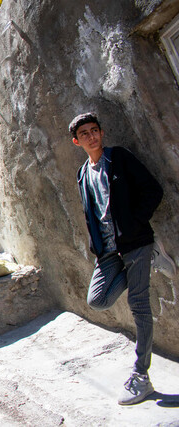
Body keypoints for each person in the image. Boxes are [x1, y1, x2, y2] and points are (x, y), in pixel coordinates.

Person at [70, 112, 176, 405]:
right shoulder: (82, 174)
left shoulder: (119, 158)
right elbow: (91, 211)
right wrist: (98, 247)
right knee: (98, 300)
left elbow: (152, 190)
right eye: (85, 133)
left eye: (95, 130)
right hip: (107, 253)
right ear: (77, 141)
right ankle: (146, 261)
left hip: (134, 243)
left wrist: (136, 225)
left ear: (102, 133)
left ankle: (142, 377)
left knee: (138, 305)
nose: (92, 136)